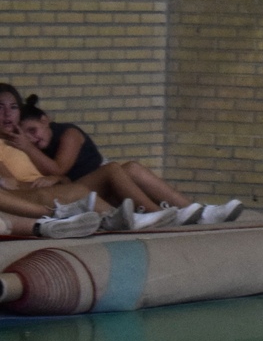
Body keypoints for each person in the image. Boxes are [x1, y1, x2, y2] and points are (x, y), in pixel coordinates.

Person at [12, 92, 243, 226]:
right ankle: (160, 213)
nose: (32, 139)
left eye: (33, 130)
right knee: (115, 168)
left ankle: (195, 210)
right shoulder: (28, 148)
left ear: (45, 120)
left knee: (131, 168)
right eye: (26, 136)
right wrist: (29, 149)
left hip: (97, 185)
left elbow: (60, 168)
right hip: (88, 190)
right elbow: (58, 173)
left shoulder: (68, 133)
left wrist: (29, 149)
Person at [0, 83, 176, 231]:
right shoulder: (17, 145)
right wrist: (44, 181)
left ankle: (164, 212)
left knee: (121, 169)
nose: (7, 113)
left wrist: (56, 178)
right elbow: (9, 186)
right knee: (83, 189)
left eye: (13, 107)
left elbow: (59, 174)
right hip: (30, 197)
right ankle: (137, 217)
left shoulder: (23, 140)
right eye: (0, 107)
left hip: (59, 187)